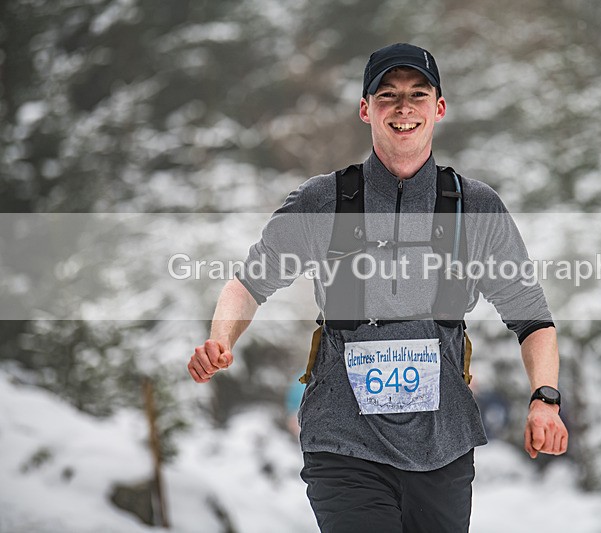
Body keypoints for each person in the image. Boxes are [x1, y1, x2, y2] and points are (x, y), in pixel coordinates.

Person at [188, 43, 568, 533]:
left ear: (439, 108)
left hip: (443, 445)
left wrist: (545, 397)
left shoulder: (472, 206)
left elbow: (531, 316)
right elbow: (248, 284)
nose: (403, 107)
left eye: (417, 94)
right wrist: (221, 340)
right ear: (366, 109)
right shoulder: (324, 200)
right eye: (387, 95)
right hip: (342, 442)